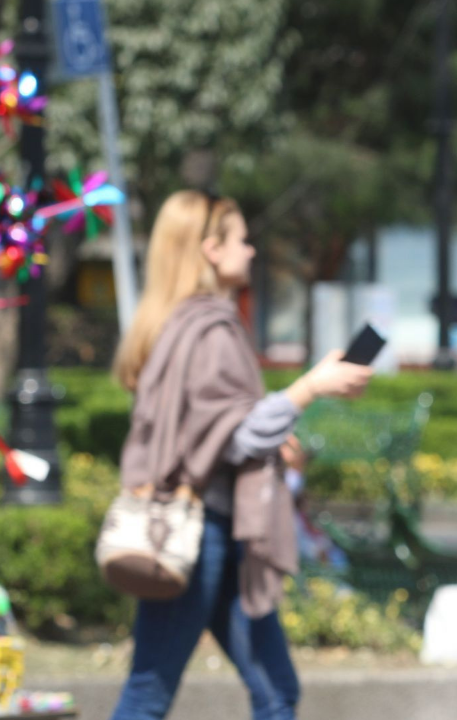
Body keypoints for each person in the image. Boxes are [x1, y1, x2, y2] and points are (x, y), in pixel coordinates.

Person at [109, 190, 373, 720]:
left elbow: (215, 431)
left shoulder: (183, 323)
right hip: (196, 536)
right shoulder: (208, 328)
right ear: (210, 249)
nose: (251, 251)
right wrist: (309, 387)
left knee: (276, 691)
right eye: (242, 240)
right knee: (149, 695)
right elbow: (233, 437)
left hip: (222, 534)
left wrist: (279, 442)